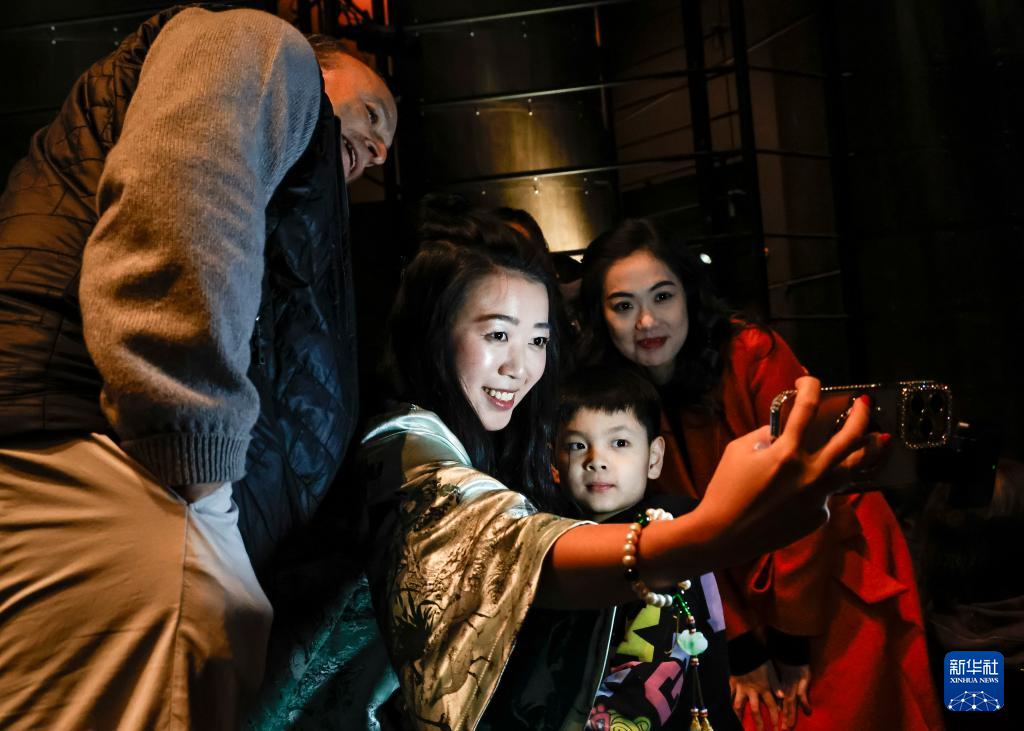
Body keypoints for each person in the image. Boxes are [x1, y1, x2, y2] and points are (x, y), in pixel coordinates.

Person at [0, 6, 395, 729]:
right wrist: (198, 472)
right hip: (129, 493)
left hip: (129, 501)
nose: (375, 149)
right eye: (371, 113)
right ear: (321, 63)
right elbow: (180, 191)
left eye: (383, 148)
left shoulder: (295, 177)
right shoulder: (260, 47)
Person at [354, 207, 875, 730]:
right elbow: (517, 550)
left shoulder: (743, 356)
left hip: (816, 582)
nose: (520, 366)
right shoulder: (403, 446)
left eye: (538, 340)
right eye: (496, 335)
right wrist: (710, 534)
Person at [577, 218, 944, 730]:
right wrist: (742, 645)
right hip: (725, 576)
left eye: (663, 296)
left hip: (825, 549)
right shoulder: (609, 395)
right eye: (623, 305)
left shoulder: (751, 352)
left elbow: (809, 492)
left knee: (846, 709)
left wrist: (790, 641)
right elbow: (676, 527)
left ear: (688, 296)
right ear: (600, 315)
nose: (646, 321)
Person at [555, 365, 740, 731]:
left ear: (654, 458)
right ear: (553, 462)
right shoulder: (561, 538)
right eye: (577, 445)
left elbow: (643, 688)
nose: (596, 460)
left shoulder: (665, 537)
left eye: (619, 443)